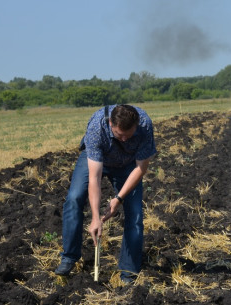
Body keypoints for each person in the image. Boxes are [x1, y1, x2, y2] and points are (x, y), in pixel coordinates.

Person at [55, 104, 156, 283]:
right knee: (74, 197)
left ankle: (128, 272)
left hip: (128, 164)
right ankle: (69, 256)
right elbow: (94, 177)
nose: (124, 139)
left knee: (135, 214)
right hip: (97, 158)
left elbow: (141, 168)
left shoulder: (145, 125)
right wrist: (95, 217)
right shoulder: (97, 126)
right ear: (110, 124)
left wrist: (118, 199)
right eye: (119, 134)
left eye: (128, 134)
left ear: (137, 125)